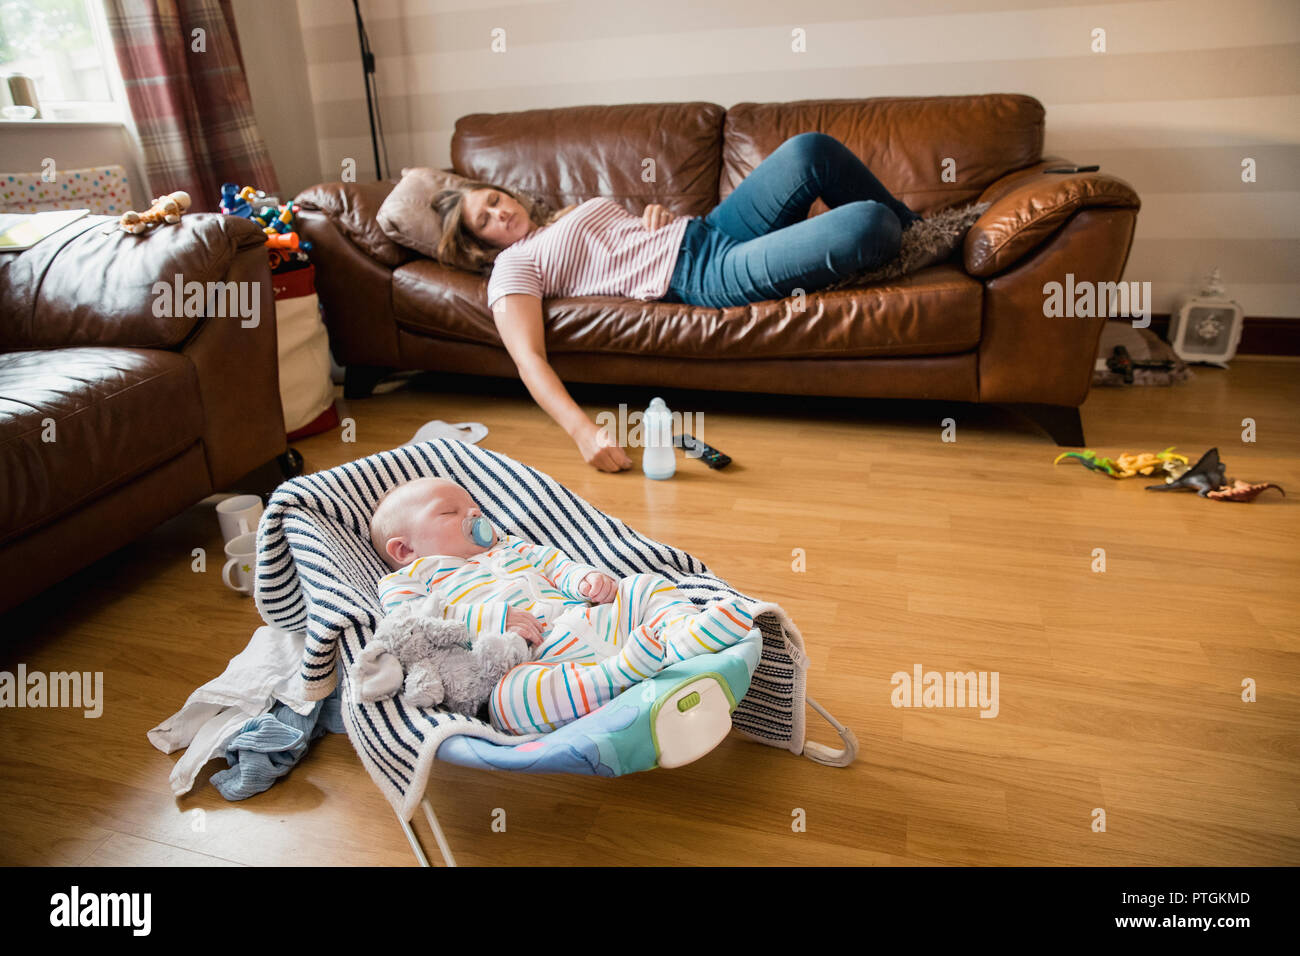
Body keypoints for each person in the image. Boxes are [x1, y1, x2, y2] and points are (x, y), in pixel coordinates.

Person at [433, 131, 922, 473]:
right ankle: (905, 233)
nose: (500, 211)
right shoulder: (513, 268)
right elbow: (528, 360)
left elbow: (619, 237)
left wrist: (655, 213)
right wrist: (583, 432)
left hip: (708, 228)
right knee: (867, 224)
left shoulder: (558, 219)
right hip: (703, 274)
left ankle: (924, 235)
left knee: (809, 150)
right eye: (485, 220)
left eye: (494, 199)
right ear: (479, 244)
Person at [369, 477, 756, 735]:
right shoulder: (409, 579)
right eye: (450, 512)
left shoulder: (511, 546)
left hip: (592, 619)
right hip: (539, 658)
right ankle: (616, 676)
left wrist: (584, 579)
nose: (473, 514)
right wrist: (495, 617)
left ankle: (681, 638)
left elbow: (556, 564)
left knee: (643, 586)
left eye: (474, 507)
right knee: (507, 703)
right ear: (404, 549)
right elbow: (413, 624)